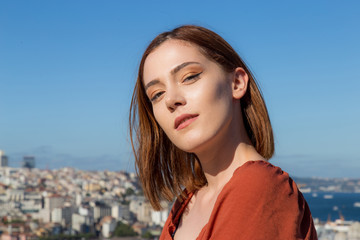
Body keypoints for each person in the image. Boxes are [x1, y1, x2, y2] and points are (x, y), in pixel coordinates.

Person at [129, 25, 317, 240]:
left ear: (236, 83)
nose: (171, 100)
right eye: (157, 94)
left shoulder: (257, 187)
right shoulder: (187, 201)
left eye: (189, 77)